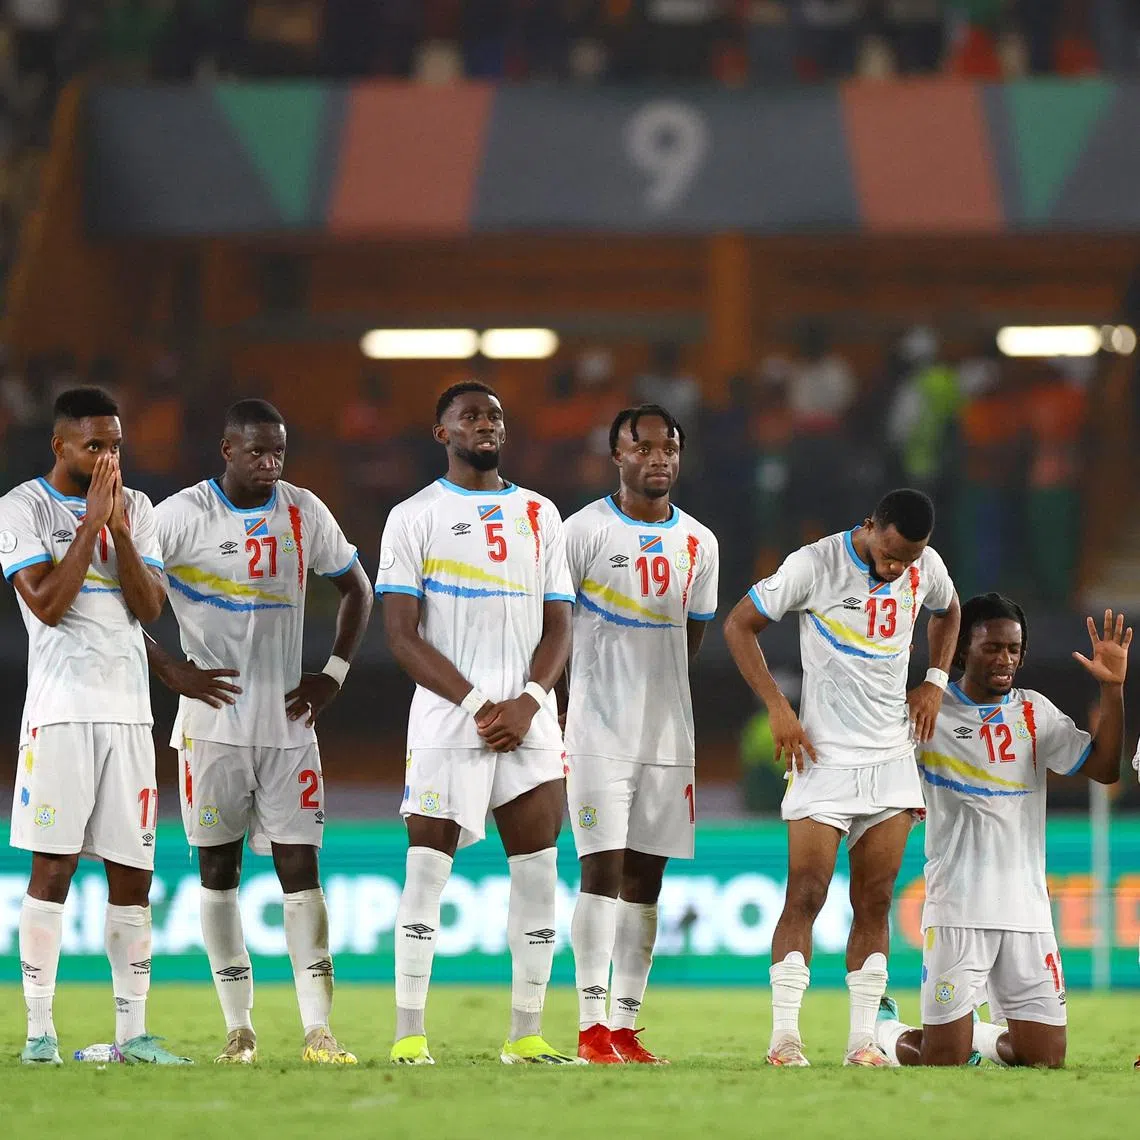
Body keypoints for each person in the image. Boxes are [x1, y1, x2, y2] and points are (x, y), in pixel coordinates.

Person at [147, 398, 372, 1064]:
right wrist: (171, 670)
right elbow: (119, 592)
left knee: (300, 871)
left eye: (279, 451)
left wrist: (333, 672)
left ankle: (318, 1031)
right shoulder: (181, 515)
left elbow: (358, 587)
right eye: (257, 452)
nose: (271, 464)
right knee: (219, 871)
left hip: (289, 727)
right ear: (227, 449)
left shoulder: (303, 508)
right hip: (211, 729)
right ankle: (238, 1028)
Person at [376, 380, 580, 1066]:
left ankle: (525, 1033)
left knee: (538, 876)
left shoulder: (542, 514)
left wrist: (526, 700)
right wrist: (476, 705)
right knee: (426, 874)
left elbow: (560, 626)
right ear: (443, 433)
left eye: (494, 414)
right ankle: (409, 1032)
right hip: (447, 719)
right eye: (470, 415)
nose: (485, 423)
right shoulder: (413, 517)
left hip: (530, 721)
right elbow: (400, 635)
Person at [722, 487, 960, 1066]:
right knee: (805, 893)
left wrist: (934, 679)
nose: (900, 567)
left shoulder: (925, 566)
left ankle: (861, 1043)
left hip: (890, 759)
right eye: (892, 553)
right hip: (821, 759)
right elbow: (738, 625)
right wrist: (780, 707)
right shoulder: (814, 564)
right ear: (871, 525)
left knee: (875, 901)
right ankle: (784, 1039)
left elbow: (950, 612)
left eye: (910, 558)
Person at [0, 386, 190, 1065]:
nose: (109, 457)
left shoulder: (135, 507)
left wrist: (122, 532)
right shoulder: (21, 508)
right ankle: (39, 1033)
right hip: (60, 713)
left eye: (116, 444)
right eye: (94, 446)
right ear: (60, 446)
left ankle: (132, 1035)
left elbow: (149, 606)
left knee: (133, 875)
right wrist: (87, 526)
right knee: (51, 870)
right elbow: (46, 605)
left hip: (129, 716)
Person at [875, 595, 1128, 1068]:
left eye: (1013, 649)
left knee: (1044, 1060)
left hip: (1027, 912)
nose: (1004, 660)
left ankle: (979, 1036)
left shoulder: (1035, 713)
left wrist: (1112, 690)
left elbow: (1106, 768)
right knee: (942, 1061)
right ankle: (884, 1029)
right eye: (992, 647)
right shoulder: (929, 712)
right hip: (956, 909)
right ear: (963, 651)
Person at [563, 404, 718, 1064]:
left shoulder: (701, 543)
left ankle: (625, 1025)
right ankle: (590, 1025)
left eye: (669, 447)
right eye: (643, 446)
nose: (658, 458)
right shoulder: (580, 531)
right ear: (617, 455)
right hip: (597, 730)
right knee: (600, 872)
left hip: (666, 737)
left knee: (646, 880)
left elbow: (695, 632)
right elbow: (550, 626)